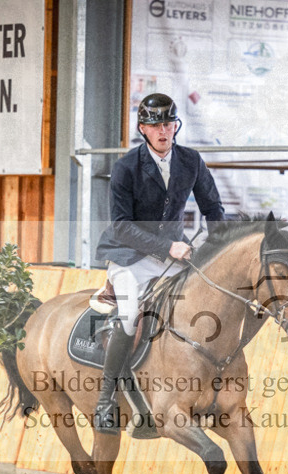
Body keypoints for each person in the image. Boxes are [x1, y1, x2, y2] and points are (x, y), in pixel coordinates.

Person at [92, 93, 225, 434]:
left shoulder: (191, 161)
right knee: (130, 315)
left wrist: (220, 245)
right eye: (156, 125)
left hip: (173, 255)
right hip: (129, 255)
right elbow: (122, 225)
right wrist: (168, 247)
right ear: (143, 130)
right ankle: (106, 401)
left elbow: (213, 208)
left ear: (176, 126)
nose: (163, 131)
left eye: (168, 124)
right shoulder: (125, 168)